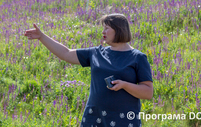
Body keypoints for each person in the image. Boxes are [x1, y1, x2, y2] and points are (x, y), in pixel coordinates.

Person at [24, 13, 153, 127]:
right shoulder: (96, 53)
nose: (103, 31)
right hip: (94, 118)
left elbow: (148, 92)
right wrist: (41, 37)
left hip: (124, 121)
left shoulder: (137, 58)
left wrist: (124, 85)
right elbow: (66, 54)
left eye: (107, 28)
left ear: (119, 30)